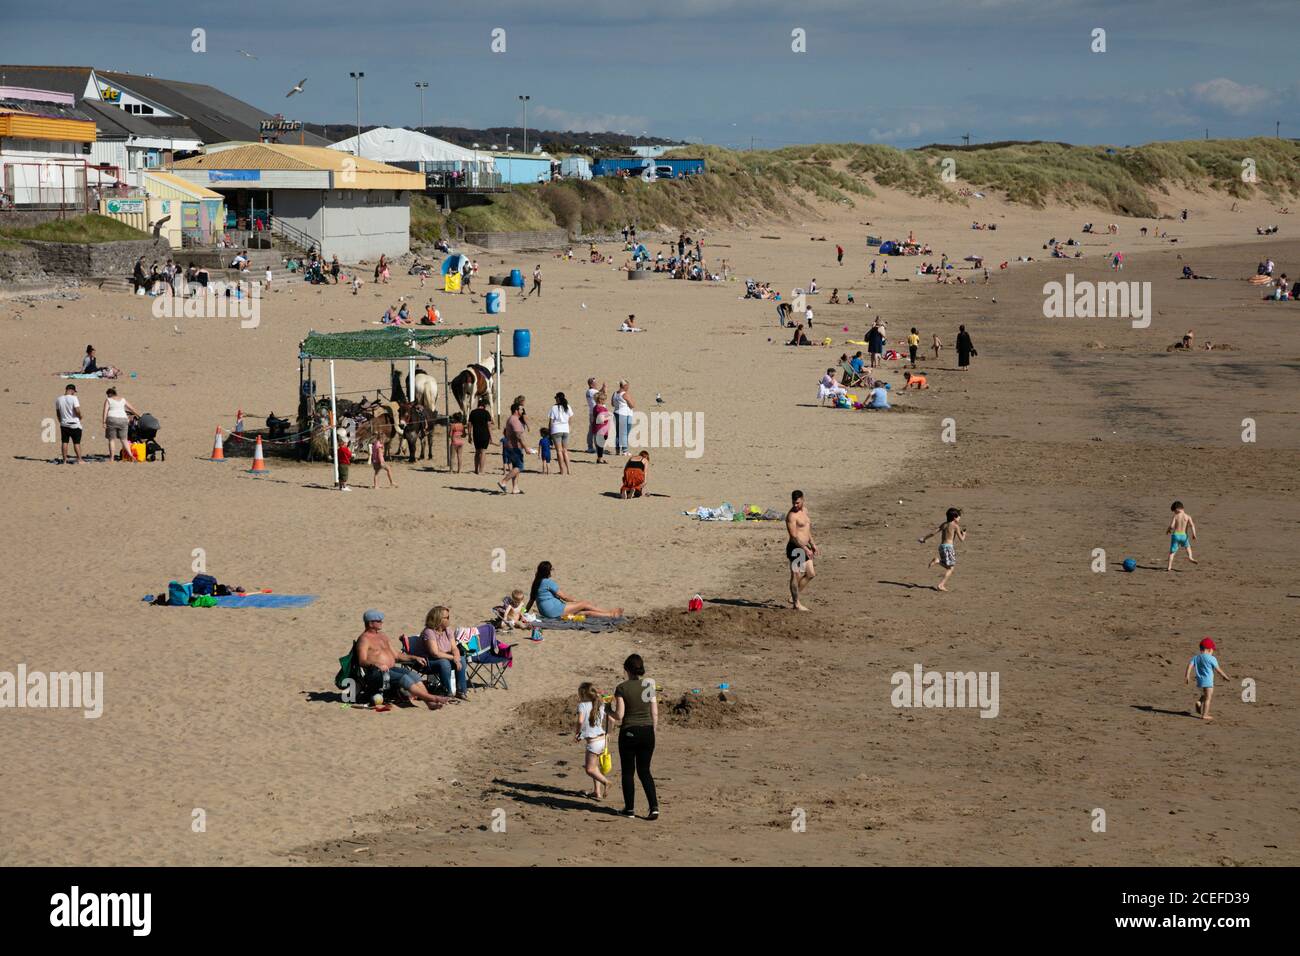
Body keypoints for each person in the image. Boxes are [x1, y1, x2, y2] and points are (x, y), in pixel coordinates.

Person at [354, 609, 450, 710]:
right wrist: (376, 664)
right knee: (404, 678)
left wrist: (414, 657)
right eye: (378, 621)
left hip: (390, 669)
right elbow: (362, 660)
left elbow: (396, 655)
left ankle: (429, 703)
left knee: (414, 676)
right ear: (370, 623)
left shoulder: (383, 636)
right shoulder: (364, 639)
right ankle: (432, 698)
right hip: (376, 673)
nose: (381, 622)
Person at [607, 654, 658, 819]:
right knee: (645, 771)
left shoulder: (622, 688)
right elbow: (654, 712)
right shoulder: (649, 685)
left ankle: (629, 809)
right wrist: (652, 729)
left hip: (629, 731)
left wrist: (608, 709)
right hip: (648, 731)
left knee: (628, 772)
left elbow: (619, 715)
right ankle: (654, 807)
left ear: (626, 669)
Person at [526, 560, 622, 620]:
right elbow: (564, 597)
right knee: (585, 604)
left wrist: (523, 613)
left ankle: (610, 614)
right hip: (554, 610)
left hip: (547, 612)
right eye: (551, 569)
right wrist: (577, 602)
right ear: (548, 571)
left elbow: (530, 602)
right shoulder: (547, 582)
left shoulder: (536, 583)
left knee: (585, 613)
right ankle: (610, 612)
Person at [412, 606, 470, 700]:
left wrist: (457, 657)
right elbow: (435, 653)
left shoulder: (448, 630)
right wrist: (453, 658)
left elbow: (454, 648)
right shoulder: (429, 632)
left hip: (444, 658)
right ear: (438, 619)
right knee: (444, 663)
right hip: (427, 661)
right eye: (446, 618)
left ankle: (461, 691)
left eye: (448, 617)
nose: (448, 619)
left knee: (462, 659)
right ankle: (447, 692)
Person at [575, 682, 611, 800]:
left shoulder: (582, 705)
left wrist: (578, 733)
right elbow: (611, 719)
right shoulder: (600, 704)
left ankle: (606, 782)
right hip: (603, 739)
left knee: (589, 769)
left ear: (583, 694)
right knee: (595, 767)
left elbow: (580, 721)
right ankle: (597, 792)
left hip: (594, 742)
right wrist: (609, 733)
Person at [786, 490, 817, 611]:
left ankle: (794, 596)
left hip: (805, 547)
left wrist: (812, 544)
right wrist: (805, 548)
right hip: (796, 549)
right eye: (793, 503)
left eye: (797, 503)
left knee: (810, 574)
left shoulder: (805, 511)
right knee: (796, 574)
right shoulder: (791, 516)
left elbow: (806, 530)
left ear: (803, 500)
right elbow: (794, 537)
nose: (795, 505)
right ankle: (796, 604)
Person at [921, 507, 965, 592]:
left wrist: (924, 538)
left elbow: (933, 533)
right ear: (955, 518)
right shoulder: (956, 526)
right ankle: (941, 585)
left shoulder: (944, 524)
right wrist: (964, 534)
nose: (960, 518)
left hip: (941, 547)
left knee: (948, 566)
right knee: (951, 568)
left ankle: (938, 562)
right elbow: (962, 539)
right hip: (948, 547)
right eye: (959, 516)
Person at [1185, 637, 1228, 721]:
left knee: (1204, 695)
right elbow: (1218, 669)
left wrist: (1187, 676)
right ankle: (1205, 715)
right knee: (1208, 698)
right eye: (1212, 650)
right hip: (1208, 682)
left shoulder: (1196, 658)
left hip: (1199, 682)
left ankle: (1199, 702)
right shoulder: (1212, 658)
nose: (1212, 652)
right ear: (1209, 649)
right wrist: (1224, 676)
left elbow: (1189, 665)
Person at [497, 400, 527, 494]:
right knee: (519, 467)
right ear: (516, 410)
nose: (523, 411)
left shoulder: (512, 419)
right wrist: (526, 447)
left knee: (515, 467)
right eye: (521, 409)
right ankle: (503, 481)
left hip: (511, 447)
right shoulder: (514, 420)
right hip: (514, 447)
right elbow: (519, 436)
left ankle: (515, 488)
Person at [102, 387, 139, 462]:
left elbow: (105, 411)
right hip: (123, 419)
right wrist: (139, 415)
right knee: (124, 439)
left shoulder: (108, 400)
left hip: (112, 419)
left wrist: (104, 421)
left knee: (111, 439)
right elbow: (132, 409)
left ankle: (112, 458)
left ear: (109, 394)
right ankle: (131, 455)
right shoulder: (123, 399)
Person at [55, 384, 84, 464]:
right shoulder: (74, 398)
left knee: (64, 442)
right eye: (74, 391)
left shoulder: (58, 399)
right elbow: (77, 410)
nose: (74, 393)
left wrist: (61, 421)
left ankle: (64, 460)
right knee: (76, 443)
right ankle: (80, 459)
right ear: (71, 390)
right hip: (74, 423)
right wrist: (80, 416)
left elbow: (58, 413)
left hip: (64, 423)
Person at [1167, 500, 1198, 571]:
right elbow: (1192, 525)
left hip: (1176, 535)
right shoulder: (1188, 516)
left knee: (1172, 552)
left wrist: (1168, 530)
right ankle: (1190, 557)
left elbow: (1171, 526)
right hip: (1184, 536)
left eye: (1174, 511)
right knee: (1188, 547)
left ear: (1177, 509)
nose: (1174, 512)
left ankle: (1169, 567)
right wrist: (1194, 534)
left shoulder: (1176, 516)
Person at [548, 392, 573, 475]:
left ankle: (562, 470)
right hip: (565, 429)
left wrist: (549, 432)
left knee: (559, 451)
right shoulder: (567, 406)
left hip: (556, 430)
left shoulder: (554, 408)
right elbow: (570, 418)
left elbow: (551, 422)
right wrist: (569, 427)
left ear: (558, 399)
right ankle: (569, 470)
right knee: (565, 451)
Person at [468, 397, 493, 475]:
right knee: (483, 452)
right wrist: (491, 437)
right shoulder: (486, 413)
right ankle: (481, 470)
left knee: (477, 452)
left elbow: (469, 425)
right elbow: (489, 426)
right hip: (485, 435)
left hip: (476, 434)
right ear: (484, 405)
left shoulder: (473, 412)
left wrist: (469, 435)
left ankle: (476, 469)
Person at [612, 381, 635, 456]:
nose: (628, 387)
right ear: (624, 386)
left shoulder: (614, 393)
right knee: (625, 433)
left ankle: (617, 450)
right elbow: (632, 405)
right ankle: (625, 450)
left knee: (618, 433)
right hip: (624, 415)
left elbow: (612, 404)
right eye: (627, 386)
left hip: (616, 413)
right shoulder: (625, 394)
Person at [585, 377, 604, 454]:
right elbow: (601, 396)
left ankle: (590, 447)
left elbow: (598, 394)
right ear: (591, 384)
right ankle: (595, 447)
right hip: (596, 412)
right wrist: (604, 388)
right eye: (595, 383)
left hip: (593, 412)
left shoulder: (589, 391)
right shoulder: (593, 391)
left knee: (591, 430)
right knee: (596, 430)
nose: (596, 384)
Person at [592, 389, 611, 464]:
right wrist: (608, 417)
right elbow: (600, 419)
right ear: (600, 400)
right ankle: (600, 459)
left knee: (600, 444)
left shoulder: (597, 407)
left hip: (601, 428)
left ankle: (599, 458)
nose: (605, 401)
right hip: (601, 428)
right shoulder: (599, 408)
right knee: (600, 444)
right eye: (604, 399)